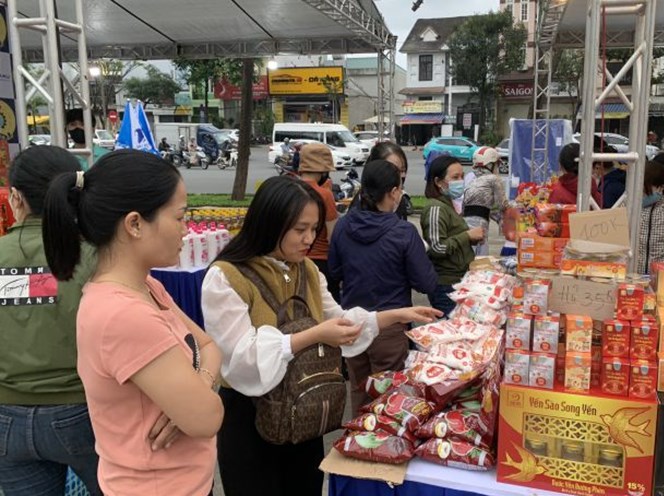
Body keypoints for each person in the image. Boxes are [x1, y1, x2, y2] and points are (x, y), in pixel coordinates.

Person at [201, 176, 440, 495]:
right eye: (300, 229)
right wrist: (314, 335)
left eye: (314, 229)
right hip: (251, 417)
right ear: (270, 223)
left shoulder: (308, 271)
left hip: (305, 412)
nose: (309, 239)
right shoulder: (226, 277)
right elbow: (240, 357)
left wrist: (396, 316)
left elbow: (340, 323)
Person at [41, 150, 224, 495]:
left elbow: (211, 346)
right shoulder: (124, 315)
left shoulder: (146, 286)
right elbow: (207, 419)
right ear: (135, 223)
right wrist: (197, 399)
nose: (186, 231)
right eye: (180, 217)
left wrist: (195, 389)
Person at [0, 147, 101, 495]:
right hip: (86, 412)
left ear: (15, 197)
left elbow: (30, 287)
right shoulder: (96, 257)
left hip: (5, 418)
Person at [329, 161, 438, 412]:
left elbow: (334, 272)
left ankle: (357, 447)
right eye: (399, 188)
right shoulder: (403, 232)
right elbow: (426, 282)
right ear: (392, 192)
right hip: (390, 326)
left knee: (360, 395)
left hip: (352, 323)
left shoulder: (344, 226)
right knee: (390, 403)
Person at [422, 155, 484, 316]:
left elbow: (453, 238)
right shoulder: (435, 208)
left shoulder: (448, 204)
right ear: (438, 182)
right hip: (445, 285)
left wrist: (470, 239)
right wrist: (467, 236)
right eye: (455, 177)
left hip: (458, 281)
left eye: (462, 176)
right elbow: (437, 247)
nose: (460, 181)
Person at [298, 143, 341, 301]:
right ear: (323, 171)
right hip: (321, 262)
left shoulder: (289, 189)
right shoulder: (324, 195)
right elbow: (332, 236)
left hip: (293, 260)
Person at [463, 146, 508, 256]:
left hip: (464, 221)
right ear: (490, 164)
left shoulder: (470, 177)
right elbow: (503, 205)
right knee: (481, 259)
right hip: (480, 223)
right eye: (496, 164)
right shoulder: (493, 179)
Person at [366, 141, 413, 220]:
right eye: (394, 170)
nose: (402, 175)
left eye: (402, 170)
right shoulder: (362, 205)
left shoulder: (399, 200)